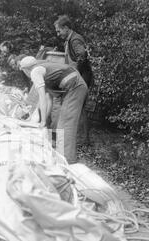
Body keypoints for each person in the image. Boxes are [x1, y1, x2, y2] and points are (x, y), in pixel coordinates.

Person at [19, 56, 88, 164]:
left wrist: (42, 122)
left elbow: (41, 97)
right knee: (61, 121)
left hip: (75, 87)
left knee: (66, 123)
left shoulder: (35, 72)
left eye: (24, 72)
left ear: (26, 69)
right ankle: (60, 155)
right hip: (72, 87)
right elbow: (48, 99)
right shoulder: (43, 71)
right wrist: (42, 120)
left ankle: (66, 160)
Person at [54, 15, 94, 145]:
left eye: (59, 30)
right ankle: (78, 138)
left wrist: (75, 73)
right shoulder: (68, 40)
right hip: (76, 77)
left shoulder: (75, 40)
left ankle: (84, 140)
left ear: (66, 28)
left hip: (81, 77)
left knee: (80, 107)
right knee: (74, 106)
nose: (58, 34)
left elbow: (82, 55)